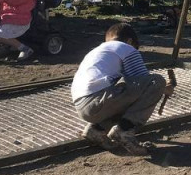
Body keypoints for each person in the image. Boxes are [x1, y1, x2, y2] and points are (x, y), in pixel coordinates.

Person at [71, 22, 174, 156]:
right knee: (156, 81)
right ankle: (124, 131)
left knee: (126, 96)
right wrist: (164, 89)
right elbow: (145, 82)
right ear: (130, 41)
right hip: (99, 99)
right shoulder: (126, 48)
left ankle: (96, 129)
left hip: (83, 106)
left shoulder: (98, 51)